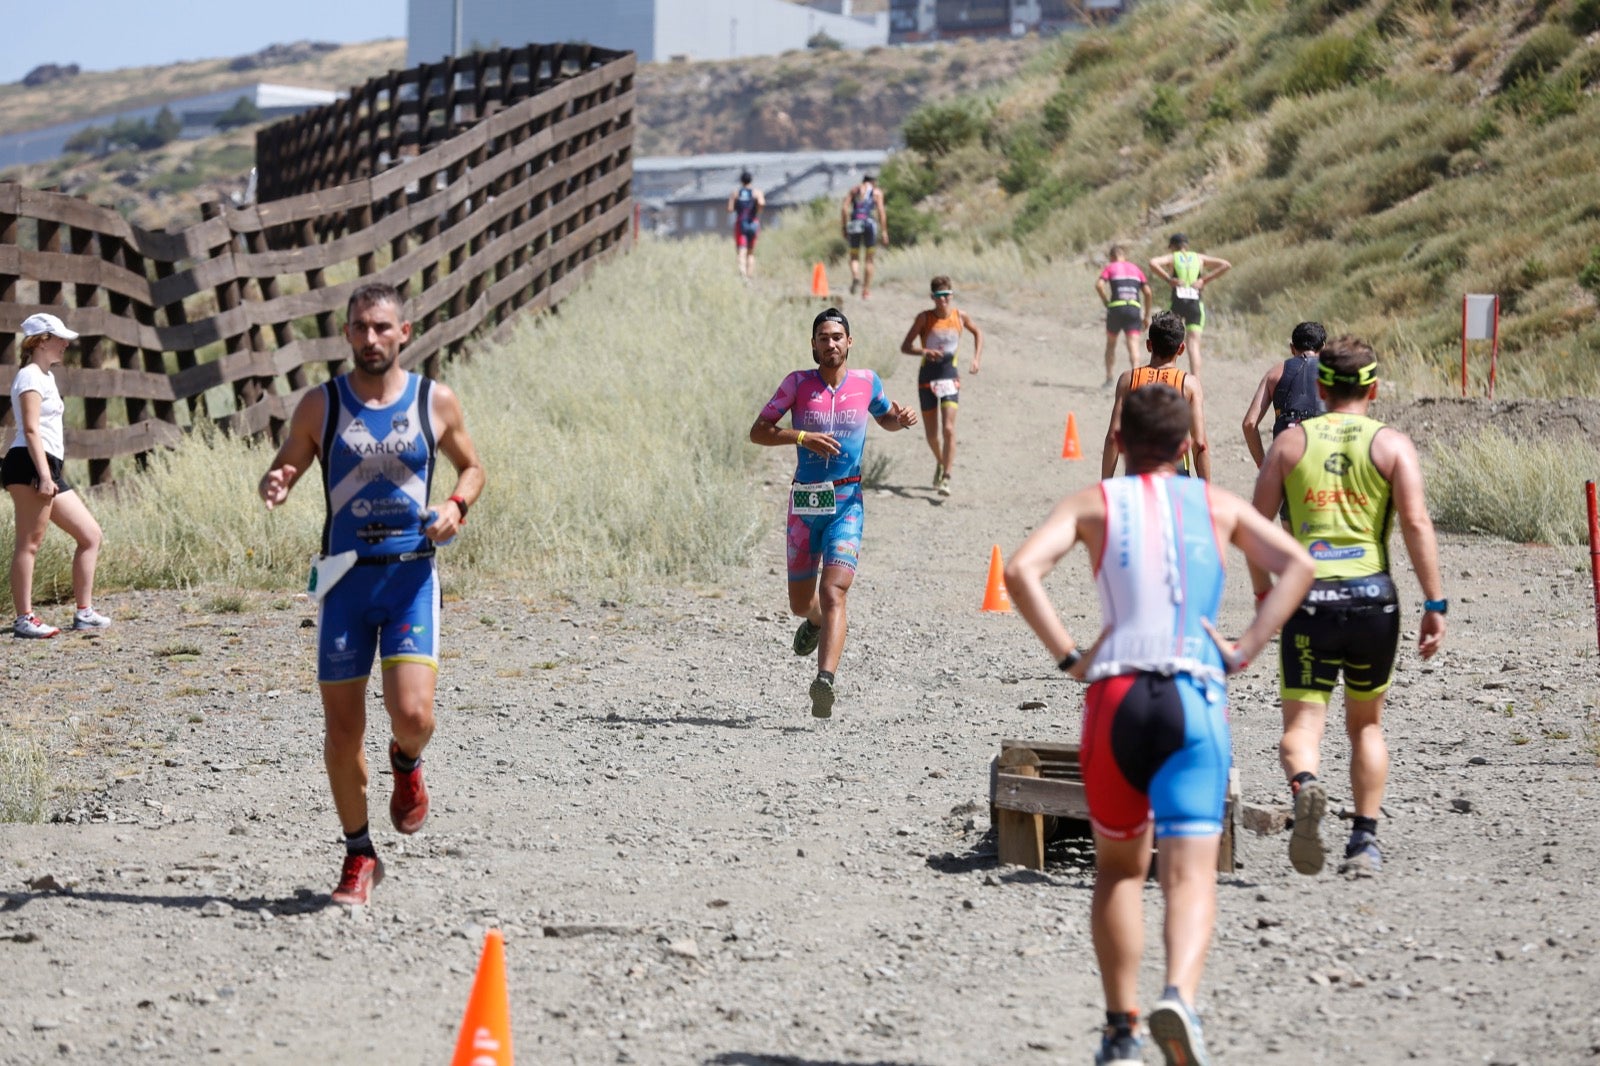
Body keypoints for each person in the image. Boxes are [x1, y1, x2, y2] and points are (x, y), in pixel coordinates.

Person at [1006, 384, 1312, 1066]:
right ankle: (1179, 996)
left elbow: (1023, 569)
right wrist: (1247, 646)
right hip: (1194, 692)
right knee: (1190, 874)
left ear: (1118, 442)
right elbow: (1299, 563)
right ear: (1184, 447)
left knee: (1118, 870)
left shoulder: (1093, 502)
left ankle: (1120, 1031)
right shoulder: (1219, 505)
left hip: (1115, 693)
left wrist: (1069, 657)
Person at [258, 282, 485, 907]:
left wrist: (456, 505)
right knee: (340, 734)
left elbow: (474, 467)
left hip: (411, 574)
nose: (371, 339)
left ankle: (406, 763)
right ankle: (359, 854)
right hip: (342, 579)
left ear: (404, 332)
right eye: (360, 327)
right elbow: (287, 463)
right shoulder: (320, 405)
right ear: (347, 332)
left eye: (382, 327)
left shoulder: (432, 401)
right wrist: (277, 479)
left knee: (414, 717)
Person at [1249, 336, 1447, 879]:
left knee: (1303, 724)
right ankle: (1364, 842)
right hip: (1372, 599)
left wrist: (1265, 592)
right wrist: (1435, 601)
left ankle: (1306, 787)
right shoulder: (1393, 445)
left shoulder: (1290, 442)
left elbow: (1252, 528)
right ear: (1374, 388)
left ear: (1319, 387)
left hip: (1309, 599)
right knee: (1366, 726)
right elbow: (1415, 524)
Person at [750, 307, 917, 719]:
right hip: (805, 503)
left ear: (849, 342)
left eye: (837, 337)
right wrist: (801, 436)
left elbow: (885, 419)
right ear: (813, 344)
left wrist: (900, 419)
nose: (831, 344)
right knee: (800, 603)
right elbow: (759, 431)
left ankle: (824, 681)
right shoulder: (797, 384)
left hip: (846, 502)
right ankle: (814, 622)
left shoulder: (866, 382)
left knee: (834, 591)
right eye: (823, 337)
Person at [5, 313, 109, 639]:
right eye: (60, 338)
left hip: (46, 466)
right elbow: (32, 428)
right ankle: (24, 618)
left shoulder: (46, 376)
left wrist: (50, 473)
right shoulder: (29, 377)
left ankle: (84, 613)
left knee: (90, 535)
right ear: (41, 341)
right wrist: (43, 475)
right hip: (29, 465)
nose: (66, 344)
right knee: (30, 543)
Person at [899, 275, 984, 497]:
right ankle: (940, 461)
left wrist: (976, 358)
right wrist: (924, 351)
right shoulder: (924, 319)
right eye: (938, 296)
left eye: (946, 295)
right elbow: (905, 346)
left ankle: (947, 476)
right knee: (931, 435)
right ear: (932, 297)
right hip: (927, 376)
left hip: (949, 376)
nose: (943, 300)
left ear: (952, 295)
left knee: (948, 428)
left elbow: (978, 333)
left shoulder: (960, 316)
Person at [1100, 311, 1210, 482]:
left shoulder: (1128, 379)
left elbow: (1113, 437)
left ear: (1149, 345)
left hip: (1137, 472)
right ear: (1181, 348)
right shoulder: (1190, 384)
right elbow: (1199, 443)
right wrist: (1206, 493)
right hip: (1177, 472)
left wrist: (1106, 485)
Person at [1241, 321, 1327, 471]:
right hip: (1323, 457)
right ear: (1324, 348)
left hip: (1286, 458)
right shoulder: (1334, 373)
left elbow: (1249, 424)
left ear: (1292, 348)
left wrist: (1263, 465)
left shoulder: (1274, 373)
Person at [1148, 234, 1230, 376]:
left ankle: (1167, 374)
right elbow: (1226, 265)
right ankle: (1195, 380)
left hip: (1177, 303)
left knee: (1169, 339)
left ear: (1173, 246)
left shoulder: (1173, 257)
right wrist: (1204, 280)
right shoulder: (1199, 257)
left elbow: (1152, 263)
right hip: (1195, 303)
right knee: (1193, 344)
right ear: (1186, 245)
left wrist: (1169, 279)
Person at [1095, 244, 1153, 387]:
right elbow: (1148, 292)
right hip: (1133, 309)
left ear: (1112, 257)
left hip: (1115, 309)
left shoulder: (1111, 267)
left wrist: (1106, 301)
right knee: (1133, 345)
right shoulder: (1136, 269)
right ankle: (1136, 381)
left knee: (1111, 344)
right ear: (1124, 256)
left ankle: (1109, 378)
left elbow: (1099, 285)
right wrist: (1146, 315)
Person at [841, 173, 888, 299]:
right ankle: (866, 290)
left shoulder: (854, 190)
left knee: (854, 255)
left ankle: (856, 276)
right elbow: (881, 212)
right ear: (873, 182)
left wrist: (844, 227)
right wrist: (884, 231)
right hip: (869, 225)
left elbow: (844, 209)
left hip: (855, 224)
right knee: (869, 259)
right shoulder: (876, 192)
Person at [727, 170, 765, 281]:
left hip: (741, 223)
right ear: (751, 180)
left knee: (741, 251)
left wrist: (738, 207)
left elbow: (729, 209)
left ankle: (743, 275)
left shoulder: (736, 193)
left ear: (741, 181)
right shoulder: (757, 192)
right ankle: (750, 276)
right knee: (751, 253)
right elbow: (762, 203)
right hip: (753, 223)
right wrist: (757, 209)